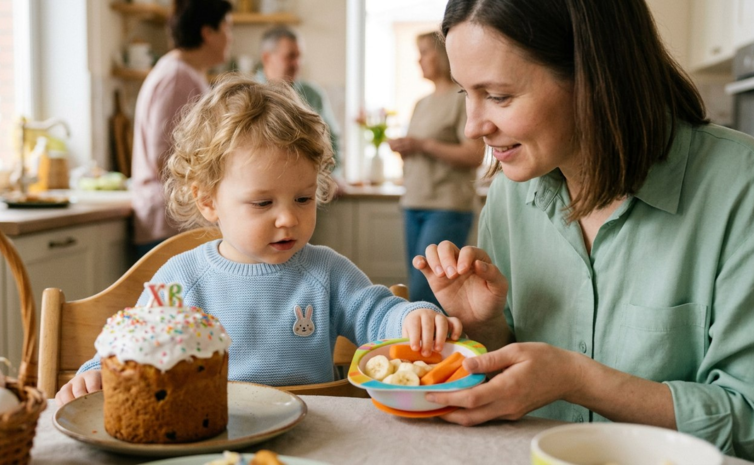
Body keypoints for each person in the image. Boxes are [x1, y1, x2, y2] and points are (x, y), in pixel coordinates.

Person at [413, 0, 754, 459]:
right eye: (464, 94)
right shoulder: (511, 193)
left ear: (594, 77)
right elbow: (516, 388)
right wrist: (484, 327)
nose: (474, 127)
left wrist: (579, 380)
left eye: (498, 96)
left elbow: (746, 420)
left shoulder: (740, 187)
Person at [56, 76, 462, 406]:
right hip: (218, 436)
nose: (288, 217)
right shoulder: (183, 280)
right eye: (263, 202)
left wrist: (413, 319)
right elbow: (133, 341)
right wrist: (95, 372)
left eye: (303, 198)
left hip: (315, 435)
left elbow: (377, 316)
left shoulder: (325, 271)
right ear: (207, 200)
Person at [387, 32, 484, 306]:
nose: (419, 60)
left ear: (443, 55)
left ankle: (436, 348)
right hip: (413, 203)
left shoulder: (460, 98)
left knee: (425, 292)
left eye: (425, 52)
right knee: (419, 287)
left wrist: (422, 145)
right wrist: (407, 149)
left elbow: (474, 154)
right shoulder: (422, 103)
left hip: (447, 206)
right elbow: (420, 151)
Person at [131, 0, 232, 259]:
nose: (229, 38)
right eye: (227, 28)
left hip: (176, 221)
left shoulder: (186, 72)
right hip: (169, 222)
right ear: (207, 33)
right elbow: (163, 157)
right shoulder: (177, 77)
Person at [256, 26, 343, 175]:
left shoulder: (314, 95)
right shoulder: (247, 94)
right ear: (267, 58)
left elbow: (333, 142)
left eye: (299, 56)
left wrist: (333, 178)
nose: (297, 63)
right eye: (290, 56)